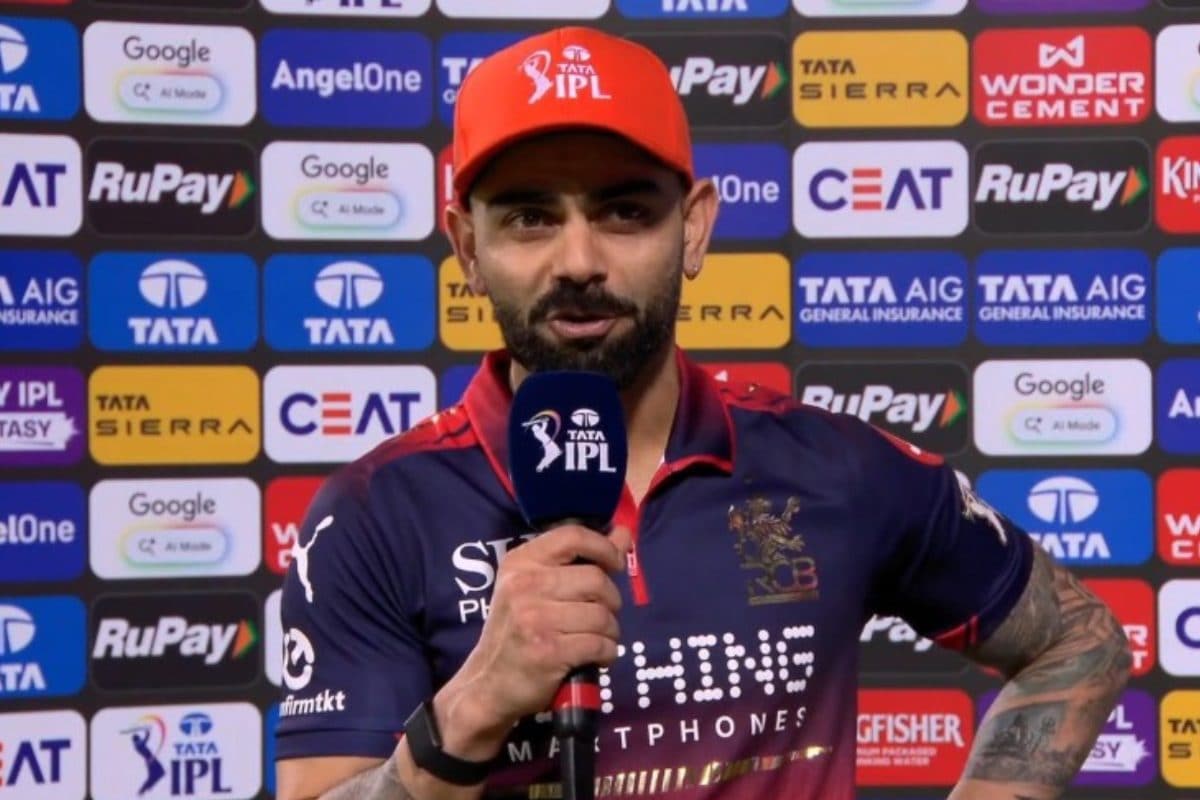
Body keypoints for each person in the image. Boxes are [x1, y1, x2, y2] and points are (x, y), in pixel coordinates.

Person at [274, 26, 1131, 800]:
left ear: (694, 229)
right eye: (531, 217)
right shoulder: (376, 513)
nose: (579, 260)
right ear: (467, 246)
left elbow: (1079, 641)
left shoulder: (833, 466)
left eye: (625, 211)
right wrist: (467, 714)